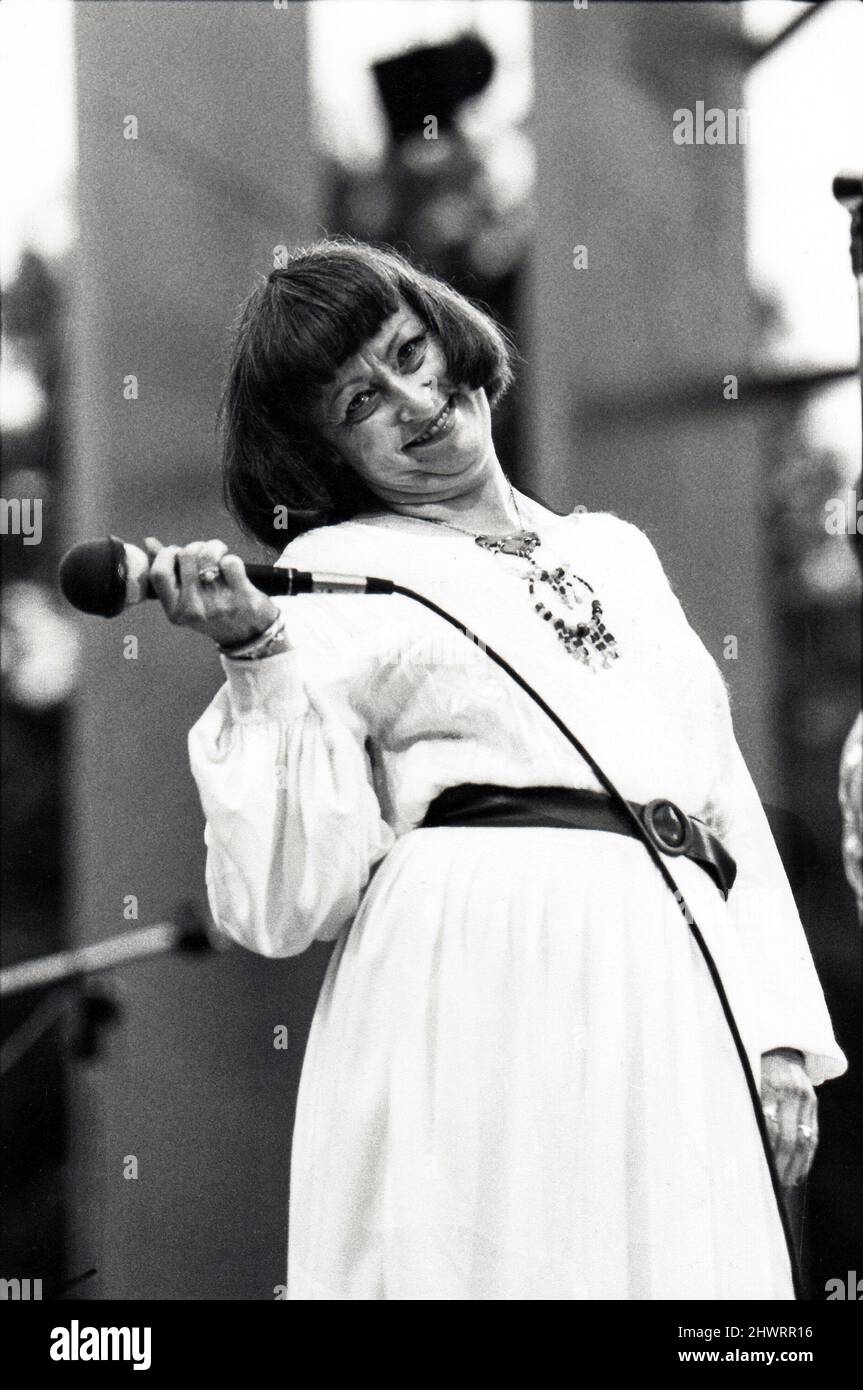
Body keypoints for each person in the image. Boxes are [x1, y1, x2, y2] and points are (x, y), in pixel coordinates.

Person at [145, 240, 846, 1300]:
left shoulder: (615, 553)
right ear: (328, 455)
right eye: (358, 402)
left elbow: (719, 799)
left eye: (408, 352)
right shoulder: (333, 571)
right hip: (473, 989)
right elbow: (284, 904)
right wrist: (255, 654)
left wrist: (781, 1033)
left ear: (448, 336)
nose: (413, 400)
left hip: (672, 981)